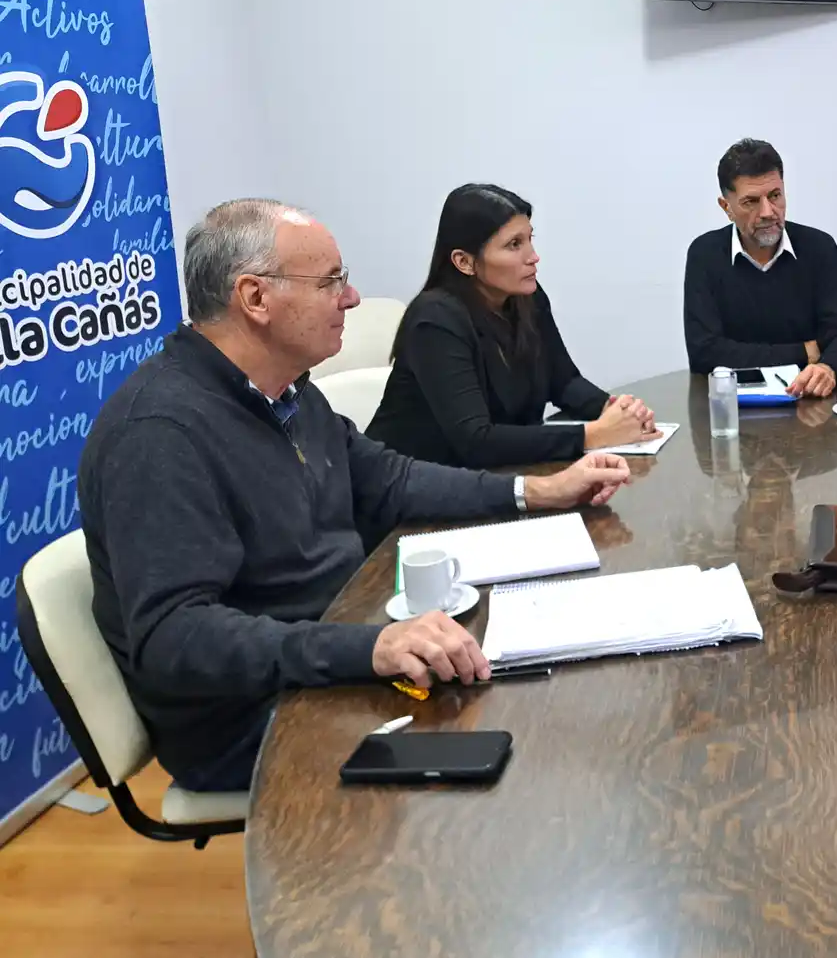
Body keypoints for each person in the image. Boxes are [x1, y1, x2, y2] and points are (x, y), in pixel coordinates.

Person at [80, 198, 633, 793]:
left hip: (342, 644)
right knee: (531, 750)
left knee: (557, 684)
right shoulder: (160, 436)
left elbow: (391, 479)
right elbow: (176, 639)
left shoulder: (285, 393)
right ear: (255, 299)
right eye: (330, 282)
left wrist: (534, 491)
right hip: (258, 715)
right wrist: (369, 648)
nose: (351, 299)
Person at [366, 183, 660, 467]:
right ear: (464, 262)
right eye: (514, 245)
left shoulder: (526, 297)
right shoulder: (435, 320)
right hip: (411, 494)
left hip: (494, 479)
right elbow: (476, 441)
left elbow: (564, 382)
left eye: (530, 239)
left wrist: (616, 411)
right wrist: (593, 435)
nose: (533, 257)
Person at [683, 138, 837, 399]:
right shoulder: (705, 255)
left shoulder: (819, 248)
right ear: (727, 207)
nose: (768, 211)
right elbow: (706, 354)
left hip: (812, 402)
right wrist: (806, 352)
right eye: (751, 202)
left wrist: (827, 366)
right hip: (733, 407)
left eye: (775, 196)